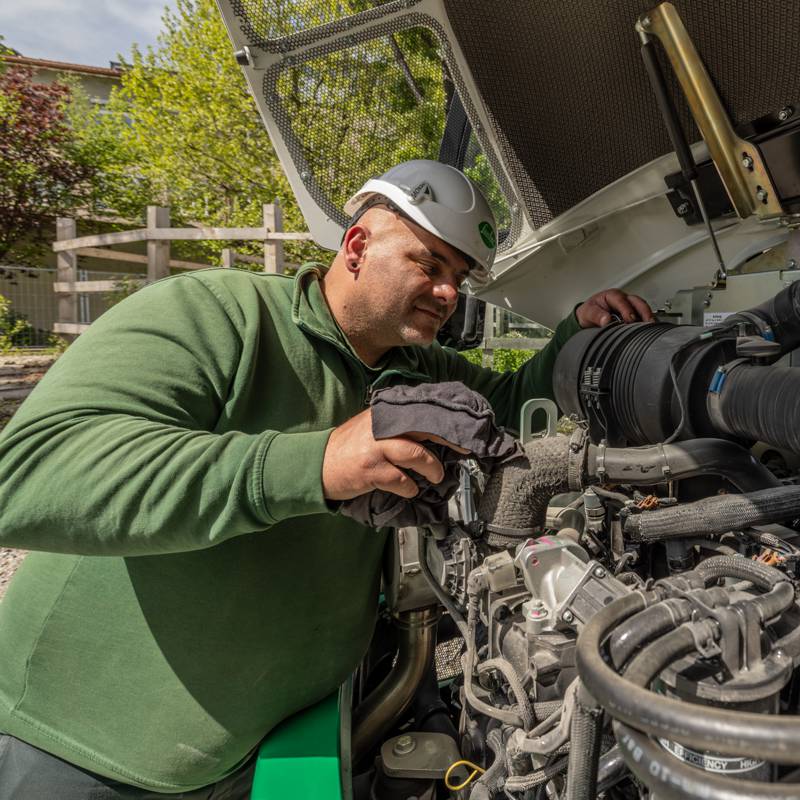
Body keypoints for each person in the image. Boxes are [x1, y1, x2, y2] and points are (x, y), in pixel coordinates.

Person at [0, 160, 654, 798]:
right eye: (429, 264)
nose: (450, 293)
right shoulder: (218, 314)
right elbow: (28, 472)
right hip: (88, 751)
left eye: (459, 275)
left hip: (262, 745)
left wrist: (577, 333)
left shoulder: (413, 364)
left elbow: (508, 404)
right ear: (357, 245)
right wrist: (312, 464)